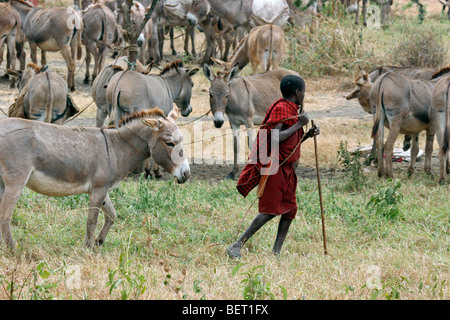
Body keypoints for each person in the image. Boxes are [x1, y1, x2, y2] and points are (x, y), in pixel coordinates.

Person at [227, 74, 320, 259]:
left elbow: (291, 140)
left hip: (288, 170)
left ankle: (276, 252)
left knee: (289, 209)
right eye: (303, 92)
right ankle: (236, 245)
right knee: (269, 211)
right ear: (297, 92)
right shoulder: (281, 108)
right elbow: (275, 138)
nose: (304, 95)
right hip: (275, 166)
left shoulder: (292, 109)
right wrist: (299, 124)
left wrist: (307, 133)